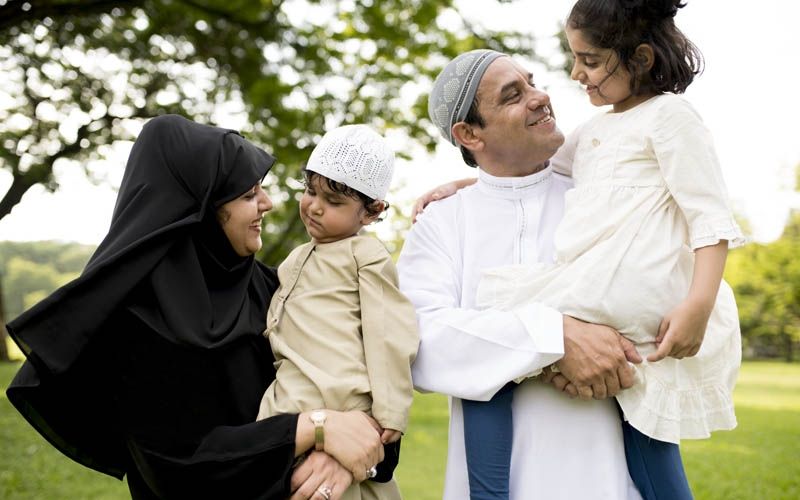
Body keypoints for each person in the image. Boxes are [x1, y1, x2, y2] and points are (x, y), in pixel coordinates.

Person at [5, 115, 395, 500]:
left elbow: (369, 376)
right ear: (200, 209)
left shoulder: (276, 288)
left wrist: (347, 457)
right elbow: (177, 470)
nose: (269, 203)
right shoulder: (131, 323)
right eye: (247, 194)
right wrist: (314, 429)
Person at [397, 48, 645, 499]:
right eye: (514, 95)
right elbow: (418, 336)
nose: (540, 96)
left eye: (531, 82)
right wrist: (555, 339)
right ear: (469, 133)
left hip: (606, 471)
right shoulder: (442, 221)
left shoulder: (600, 197)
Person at [256, 124, 419, 500]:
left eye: (333, 201)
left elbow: (388, 331)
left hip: (340, 400)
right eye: (310, 191)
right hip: (288, 402)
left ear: (371, 212)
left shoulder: (367, 256)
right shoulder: (295, 258)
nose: (314, 206)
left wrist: (391, 411)